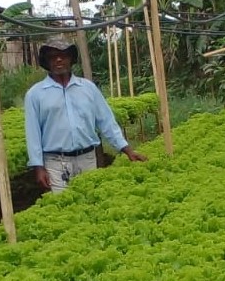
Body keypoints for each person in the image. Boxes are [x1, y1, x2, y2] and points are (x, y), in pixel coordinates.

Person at [24, 36, 146, 193]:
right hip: (55, 162)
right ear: (46, 62)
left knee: (90, 201)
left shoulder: (88, 88)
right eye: (53, 57)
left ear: (71, 59)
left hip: (87, 158)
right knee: (63, 206)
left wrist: (127, 150)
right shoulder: (35, 94)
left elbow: (106, 121)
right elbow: (33, 133)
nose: (59, 60)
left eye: (64, 55)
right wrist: (38, 166)